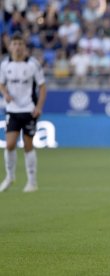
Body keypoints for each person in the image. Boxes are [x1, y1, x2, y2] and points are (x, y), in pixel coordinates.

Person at [0, 33, 47, 192]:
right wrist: (5, 93)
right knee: (10, 144)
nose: (18, 47)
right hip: (12, 110)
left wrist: (39, 107)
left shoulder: (33, 64)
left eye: (20, 44)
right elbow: (1, 83)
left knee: (28, 145)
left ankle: (32, 182)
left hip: (28, 109)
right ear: (10, 46)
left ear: (24, 46)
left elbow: (42, 87)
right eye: (15, 44)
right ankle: (9, 176)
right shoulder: (5, 64)